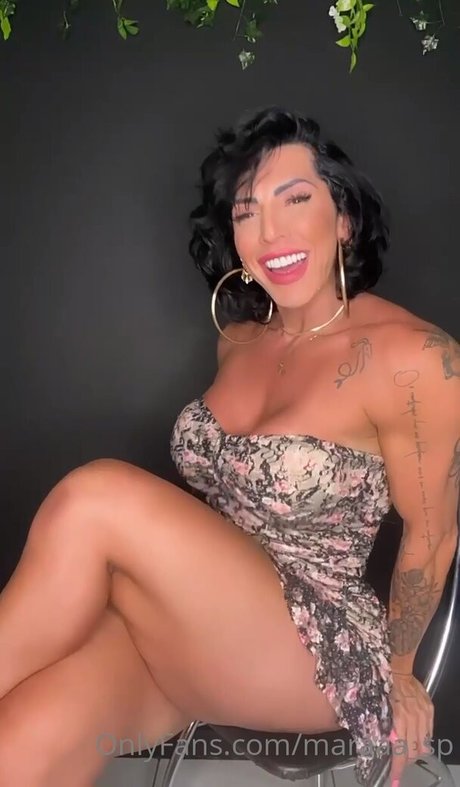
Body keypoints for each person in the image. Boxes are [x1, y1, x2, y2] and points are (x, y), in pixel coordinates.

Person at [0, 106, 458, 787]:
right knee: (21, 741)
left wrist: (400, 670)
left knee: (94, 497)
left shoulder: (415, 358)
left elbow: (433, 533)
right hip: (201, 627)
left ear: (344, 219)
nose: (270, 231)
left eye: (295, 199)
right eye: (247, 212)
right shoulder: (238, 340)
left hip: (319, 650)